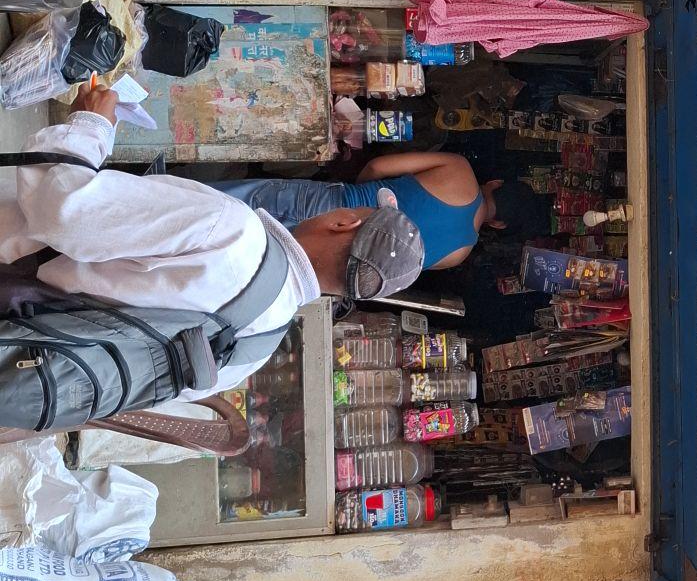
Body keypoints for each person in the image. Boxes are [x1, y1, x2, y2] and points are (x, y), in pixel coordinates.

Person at [0, 86, 425, 396]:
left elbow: (64, 211)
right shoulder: (257, 347)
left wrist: (91, 125)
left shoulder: (233, 230)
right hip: (17, 346)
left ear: (345, 222)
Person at [215, 149, 502, 273]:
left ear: (496, 183)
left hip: (332, 203)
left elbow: (378, 167)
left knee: (227, 204)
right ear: (499, 225)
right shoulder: (457, 255)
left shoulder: (460, 170)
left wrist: (357, 193)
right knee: (233, 253)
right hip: (326, 256)